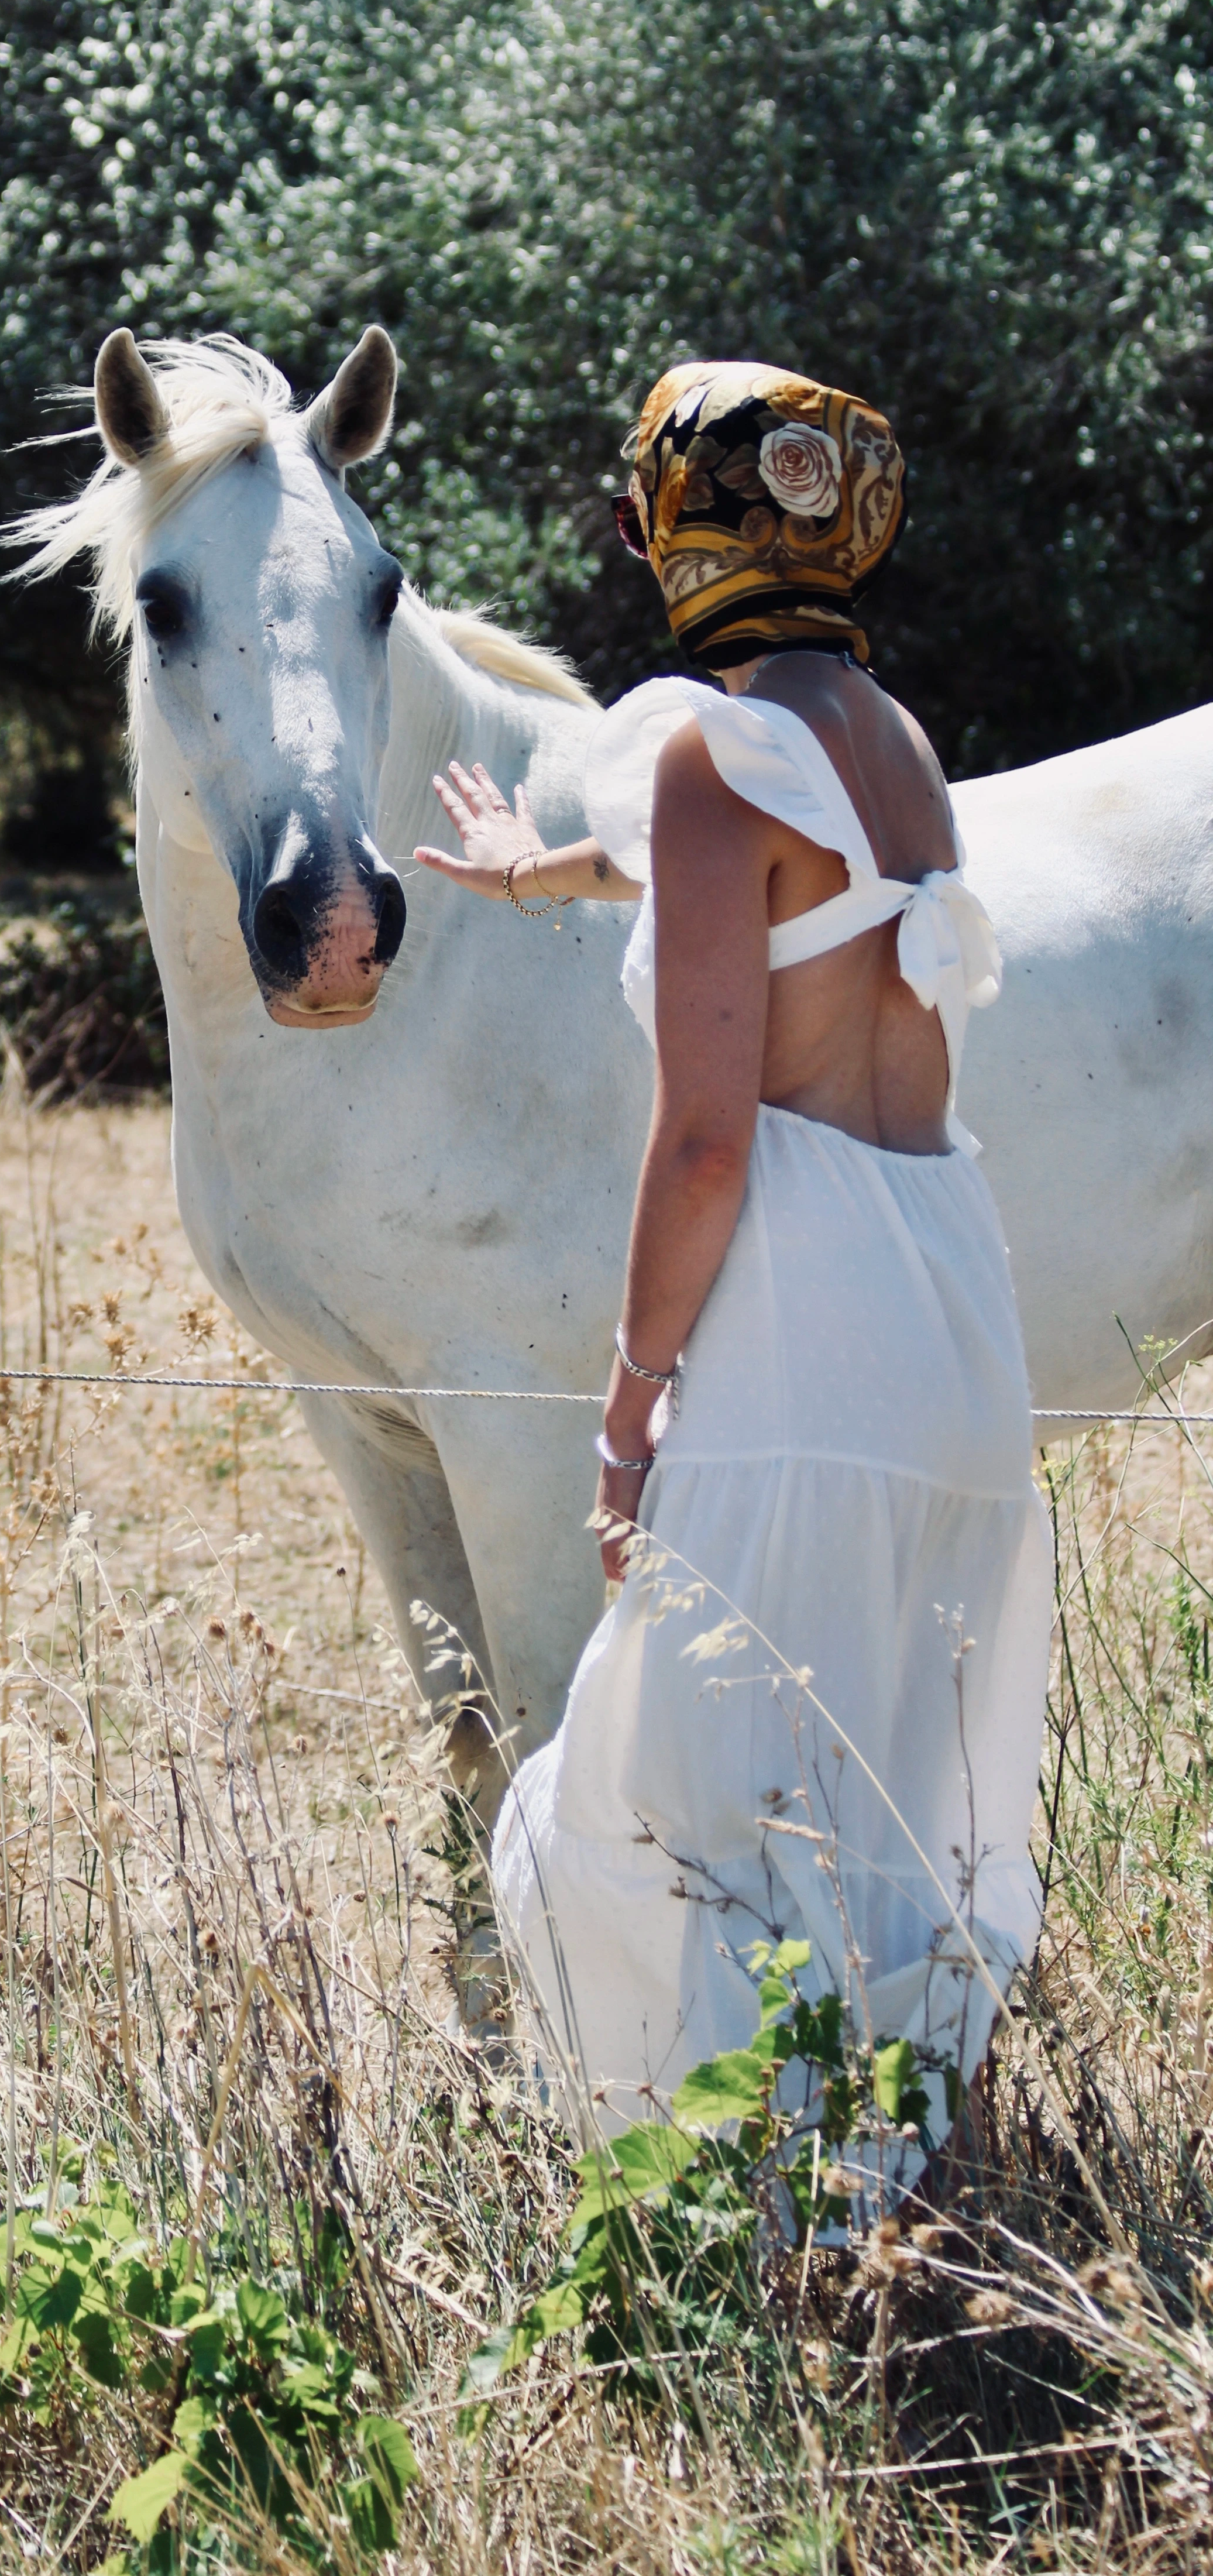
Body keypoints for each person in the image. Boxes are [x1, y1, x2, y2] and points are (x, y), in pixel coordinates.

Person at [414, 357, 1053, 2200]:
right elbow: (795, 897)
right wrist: (547, 876)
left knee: (677, 1788)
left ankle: (738, 2234)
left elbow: (707, 1139)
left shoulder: (705, 755)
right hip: (948, 1300)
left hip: (804, 1329)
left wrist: (626, 1410)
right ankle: (885, 2206)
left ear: (663, 532)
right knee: (876, 1793)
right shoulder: (898, 748)